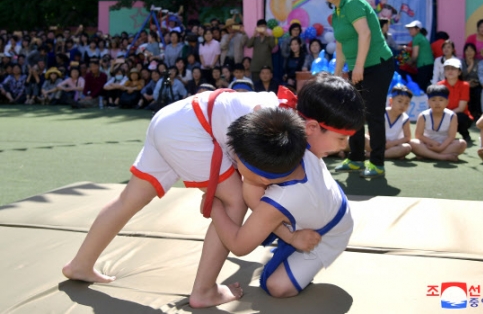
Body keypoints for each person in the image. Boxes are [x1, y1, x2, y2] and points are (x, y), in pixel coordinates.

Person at [62, 79, 324, 308]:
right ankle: (204, 291)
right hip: (190, 129)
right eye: (339, 140)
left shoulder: (283, 111)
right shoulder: (277, 124)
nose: (340, 148)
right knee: (234, 201)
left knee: (129, 199)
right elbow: (253, 194)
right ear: (313, 127)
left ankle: (80, 264)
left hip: (173, 118)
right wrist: (290, 236)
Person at [208, 75, 365, 298]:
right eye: (341, 139)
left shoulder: (280, 198)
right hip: (319, 203)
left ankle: (292, 236)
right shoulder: (291, 131)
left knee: (277, 287)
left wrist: (213, 205)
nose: (344, 146)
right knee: (265, 208)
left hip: (328, 233)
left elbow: (239, 245)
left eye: (236, 160)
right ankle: (290, 231)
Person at [318, 0, 394, 178]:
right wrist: (336, 73)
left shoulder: (353, 3)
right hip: (357, 67)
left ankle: (377, 163)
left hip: (377, 64)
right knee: (355, 114)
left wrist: (358, 66)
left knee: (374, 114)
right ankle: (356, 159)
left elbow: (365, 33)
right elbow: (341, 45)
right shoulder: (337, 12)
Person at [410, 84, 467, 161]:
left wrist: (441, 147)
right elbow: (419, 135)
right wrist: (432, 142)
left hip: (445, 144)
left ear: (447, 102)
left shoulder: (452, 116)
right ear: (428, 102)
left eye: (441, 100)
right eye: (433, 100)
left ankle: (427, 154)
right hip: (428, 144)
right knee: (413, 143)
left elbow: (451, 136)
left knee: (462, 144)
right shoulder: (423, 115)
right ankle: (442, 157)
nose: (437, 103)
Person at [437, 58, 473, 142]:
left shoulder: (465, 85)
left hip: (459, 116)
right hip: (442, 114)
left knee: (460, 116)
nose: (450, 71)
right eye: (447, 68)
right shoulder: (439, 85)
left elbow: (461, 108)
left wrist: (446, 116)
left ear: (459, 72)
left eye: (453, 68)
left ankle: (465, 134)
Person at [405, 20, 434, 92]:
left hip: (424, 66)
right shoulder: (421, 37)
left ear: (418, 29)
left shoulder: (417, 38)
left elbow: (415, 55)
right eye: (409, 29)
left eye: (412, 29)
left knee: (422, 88)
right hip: (428, 65)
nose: (410, 31)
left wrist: (409, 62)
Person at [461, 43, 482, 120]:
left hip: (476, 83)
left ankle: (477, 114)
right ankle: (467, 113)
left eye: (471, 50)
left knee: (478, 92)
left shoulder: (479, 62)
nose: (469, 52)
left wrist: (476, 81)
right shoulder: (461, 62)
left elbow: (481, 75)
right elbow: (462, 75)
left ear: (475, 52)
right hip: (464, 84)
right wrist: (470, 65)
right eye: (467, 50)